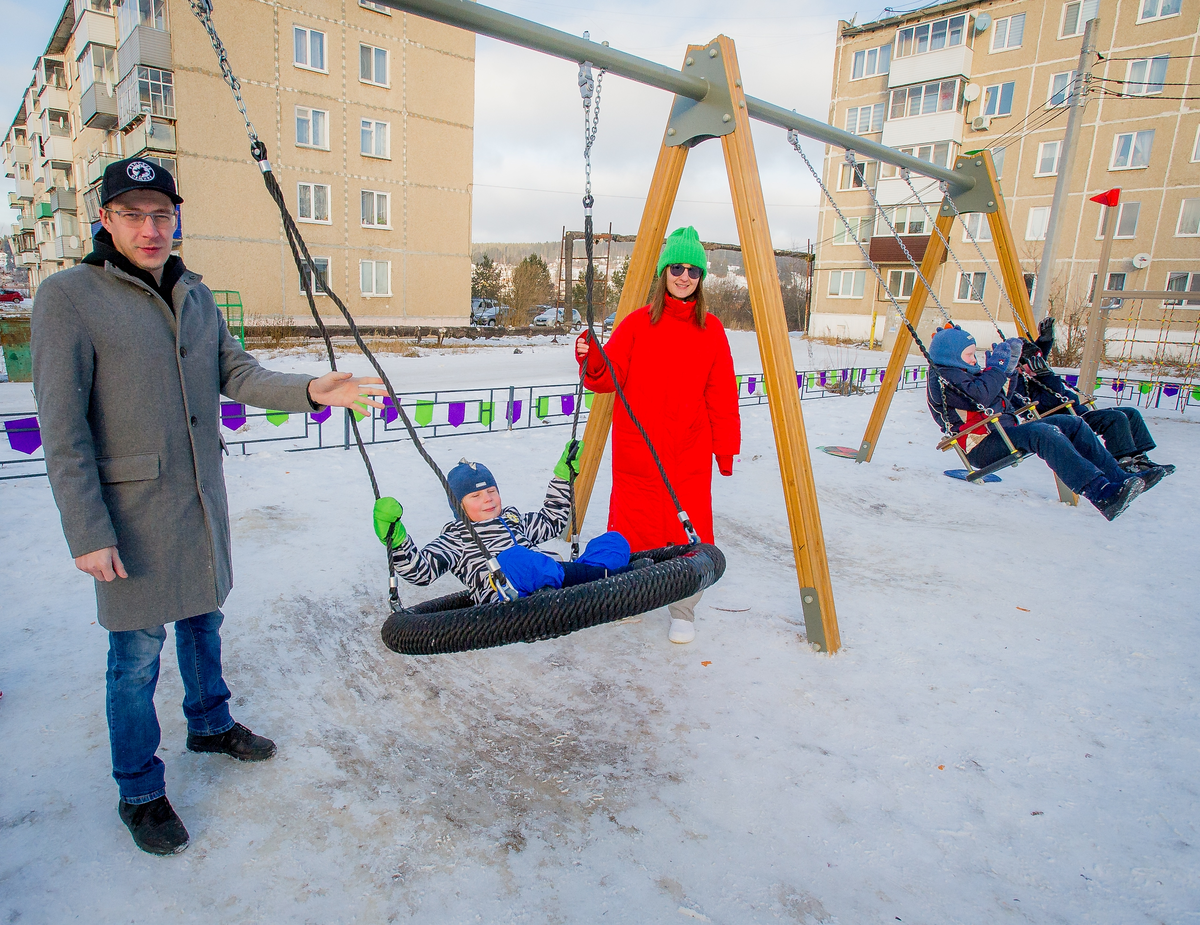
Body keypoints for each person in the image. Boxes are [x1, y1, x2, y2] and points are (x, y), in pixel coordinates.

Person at [31, 157, 386, 856]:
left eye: (162, 213)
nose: (150, 227)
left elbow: (235, 371)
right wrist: (86, 530)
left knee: (204, 621)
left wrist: (311, 389)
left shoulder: (193, 294)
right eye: (132, 214)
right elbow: (61, 425)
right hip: (128, 515)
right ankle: (139, 789)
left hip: (197, 501)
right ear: (104, 220)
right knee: (135, 657)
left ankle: (210, 721)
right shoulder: (68, 296)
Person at [575, 226, 740, 644]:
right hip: (640, 446)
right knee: (633, 521)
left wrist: (725, 449)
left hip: (689, 447)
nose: (685, 277)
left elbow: (721, 393)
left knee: (688, 525)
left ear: (701, 279)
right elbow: (606, 377)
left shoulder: (713, 330)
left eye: (693, 271)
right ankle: (629, 597)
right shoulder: (636, 324)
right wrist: (591, 356)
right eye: (678, 268)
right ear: (664, 271)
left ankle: (683, 607)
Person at [925, 325, 1163, 521]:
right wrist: (995, 369)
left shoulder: (964, 373)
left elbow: (1002, 400)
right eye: (968, 354)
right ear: (951, 356)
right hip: (981, 445)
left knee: (1073, 423)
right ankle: (1100, 492)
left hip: (1004, 434)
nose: (974, 359)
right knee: (1043, 432)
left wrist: (1008, 372)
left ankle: (1119, 478)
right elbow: (980, 396)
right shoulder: (944, 377)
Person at [372, 440, 643, 601]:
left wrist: (563, 476)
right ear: (459, 506)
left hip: (553, 578)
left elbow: (553, 519)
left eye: (491, 491)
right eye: (475, 496)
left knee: (613, 541)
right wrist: (397, 540)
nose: (488, 499)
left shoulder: (513, 520)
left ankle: (591, 579)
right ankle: (606, 579)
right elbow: (421, 571)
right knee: (515, 559)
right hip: (507, 594)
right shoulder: (455, 538)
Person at [1016, 318, 1174, 482]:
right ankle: (1123, 463)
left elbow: (1037, 355)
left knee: (1131, 413)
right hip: (1066, 421)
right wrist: (1046, 376)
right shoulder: (1021, 383)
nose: (1039, 364)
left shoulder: (1034, 371)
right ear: (1020, 365)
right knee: (1115, 418)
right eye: (1032, 362)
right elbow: (1049, 402)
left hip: (1078, 414)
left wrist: (1045, 340)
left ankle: (1140, 460)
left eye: (1039, 361)